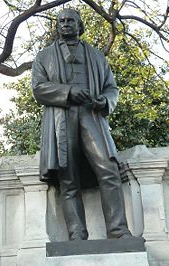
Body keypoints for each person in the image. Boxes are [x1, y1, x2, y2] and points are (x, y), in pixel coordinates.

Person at [32, 8, 132, 241]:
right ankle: (77, 235)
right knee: (68, 179)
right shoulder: (44, 56)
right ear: (57, 26)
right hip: (61, 120)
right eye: (61, 21)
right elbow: (38, 88)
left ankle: (118, 231)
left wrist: (104, 100)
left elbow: (112, 88)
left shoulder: (97, 56)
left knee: (109, 170)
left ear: (80, 25)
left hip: (91, 115)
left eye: (70, 20)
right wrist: (68, 92)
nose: (65, 24)